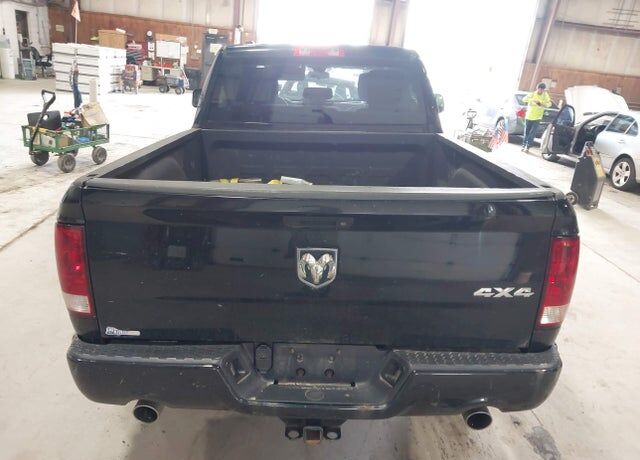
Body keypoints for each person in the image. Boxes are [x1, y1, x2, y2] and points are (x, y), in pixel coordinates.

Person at [522, 83, 552, 152]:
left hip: (537, 117)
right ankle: (524, 145)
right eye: (540, 89)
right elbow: (524, 99)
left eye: (542, 89)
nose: (541, 91)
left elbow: (549, 104)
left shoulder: (545, 95)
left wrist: (542, 103)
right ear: (537, 88)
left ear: (544, 90)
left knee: (532, 133)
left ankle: (528, 146)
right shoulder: (532, 94)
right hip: (529, 116)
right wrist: (533, 100)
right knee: (526, 132)